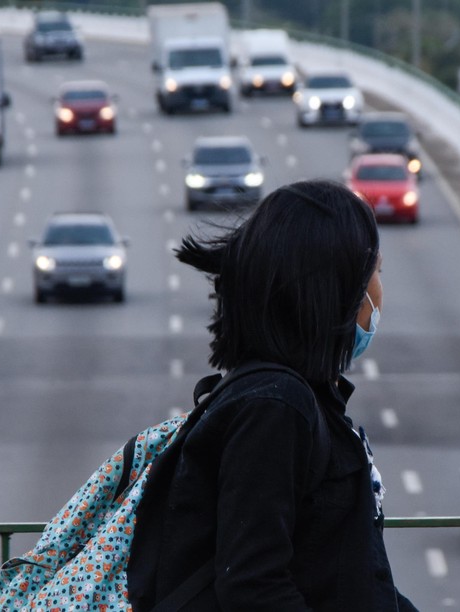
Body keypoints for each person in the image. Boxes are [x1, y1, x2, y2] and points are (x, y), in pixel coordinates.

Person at [126, 179, 417, 611]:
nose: (379, 289)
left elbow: (344, 573)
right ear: (335, 288)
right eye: (375, 271)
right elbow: (253, 586)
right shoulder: (275, 408)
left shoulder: (305, 399)